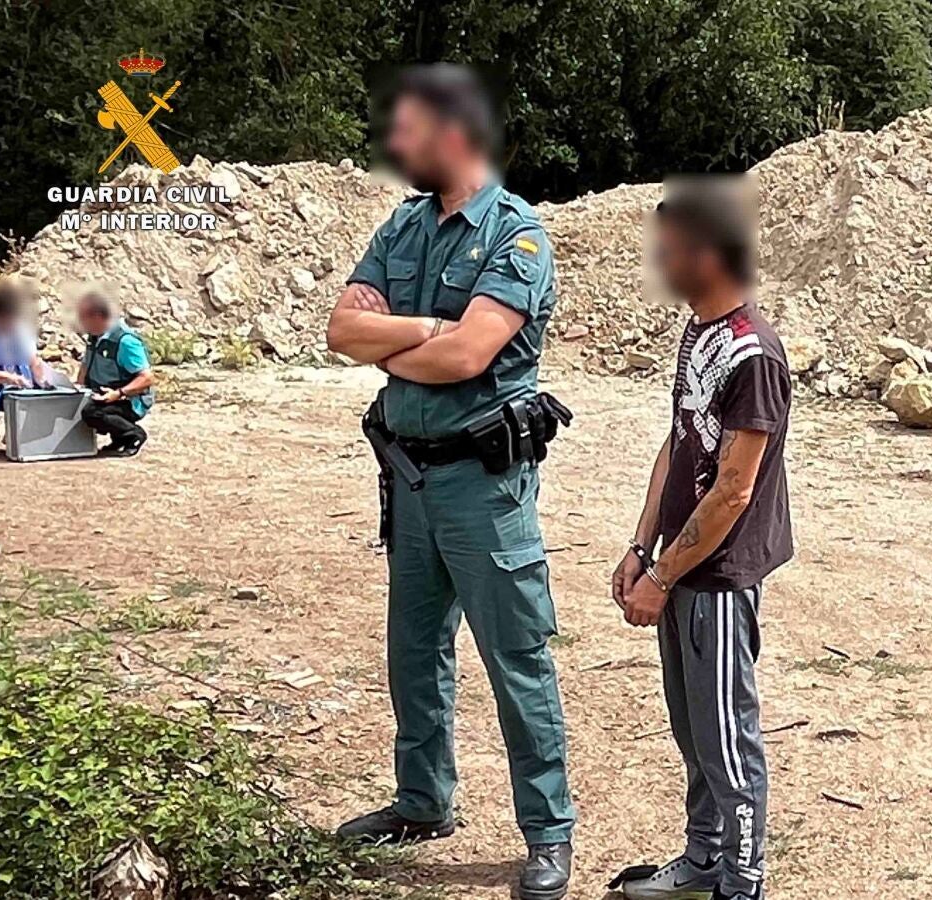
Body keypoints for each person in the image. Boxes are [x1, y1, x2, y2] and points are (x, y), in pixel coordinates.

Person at [323, 65, 575, 899]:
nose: (396, 146)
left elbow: (469, 355)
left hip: (484, 486)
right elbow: (340, 329)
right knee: (414, 649)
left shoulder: (516, 234)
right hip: (411, 479)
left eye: (409, 131)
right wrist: (428, 329)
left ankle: (548, 832)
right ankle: (422, 801)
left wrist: (395, 344)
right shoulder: (404, 226)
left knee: (516, 658)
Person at [608, 179, 790, 900]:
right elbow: (680, 442)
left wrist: (663, 575)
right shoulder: (701, 333)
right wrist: (641, 547)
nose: (661, 263)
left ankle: (742, 882)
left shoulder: (753, 355)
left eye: (672, 250)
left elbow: (734, 489)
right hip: (682, 569)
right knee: (693, 732)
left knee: (726, 740)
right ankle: (705, 856)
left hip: (718, 578)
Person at [75, 291, 154, 457]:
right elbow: (86, 364)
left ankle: (134, 435)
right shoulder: (95, 336)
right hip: (102, 393)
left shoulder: (125, 341)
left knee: (93, 413)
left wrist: (118, 393)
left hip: (128, 399)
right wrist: (78, 389)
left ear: (98, 317)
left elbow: (146, 378)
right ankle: (119, 438)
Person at [0, 281, 49, 450]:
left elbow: (33, 361)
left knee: (40, 399)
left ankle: (17, 435)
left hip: (17, 384)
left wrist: (43, 380)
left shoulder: (21, 330)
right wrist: (8, 377)